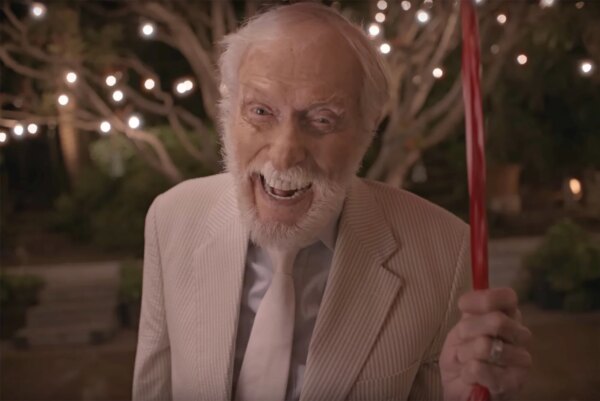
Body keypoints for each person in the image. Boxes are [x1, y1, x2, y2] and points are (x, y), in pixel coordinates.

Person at [133, 3, 532, 400]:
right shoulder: (170, 219)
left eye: (322, 119)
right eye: (261, 111)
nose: (284, 155)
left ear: (367, 128)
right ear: (228, 111)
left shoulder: (445, 252)